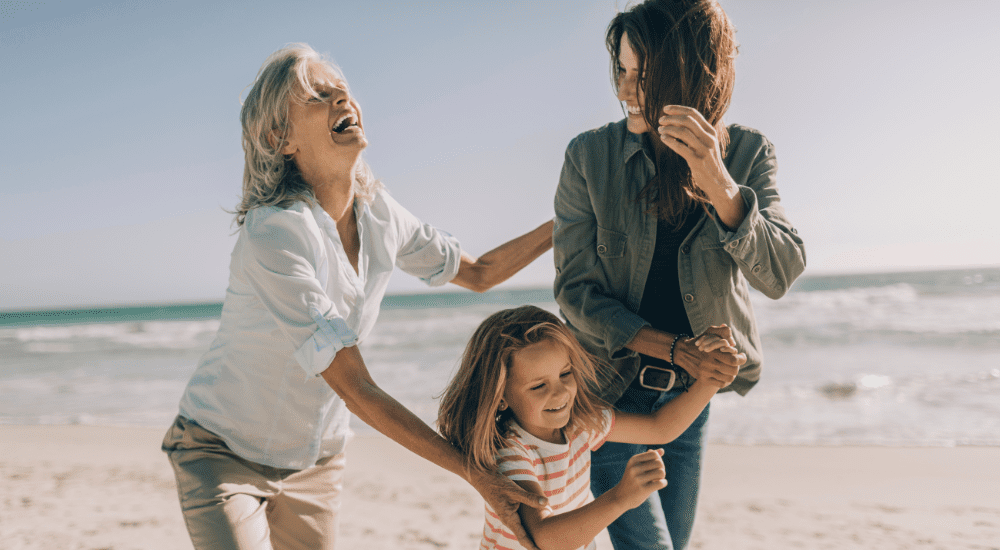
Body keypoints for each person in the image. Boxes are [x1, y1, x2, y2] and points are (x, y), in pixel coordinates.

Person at [161, 43, 554, 550]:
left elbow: (479, 273)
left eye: (342, 90)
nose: (341, 99)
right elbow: (354, 385)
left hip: (315, 461)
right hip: (221, 451)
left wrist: (569, 221)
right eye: (319, 96)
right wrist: (472, 472)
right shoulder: (275, 233)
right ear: (280, 138)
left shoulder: (380, 213)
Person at [552, 1, 808, 548]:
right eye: (620, 70)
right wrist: (674, 348)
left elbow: (781, 273)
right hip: (608, 399)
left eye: (642, 75)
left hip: (692, 403)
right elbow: (575, 295)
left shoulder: (747, 153)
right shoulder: (587, 157)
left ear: (689, 72)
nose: (624, 90)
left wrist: (719, 185)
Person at [437, 305, 739, 550]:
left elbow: (660, 428)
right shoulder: (510, 452)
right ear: (500, 397)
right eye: (539, 386)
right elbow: (545, 539)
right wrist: (620, 497)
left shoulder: (580, 424)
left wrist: (711, 380)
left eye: (565, 374)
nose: (559, 393)